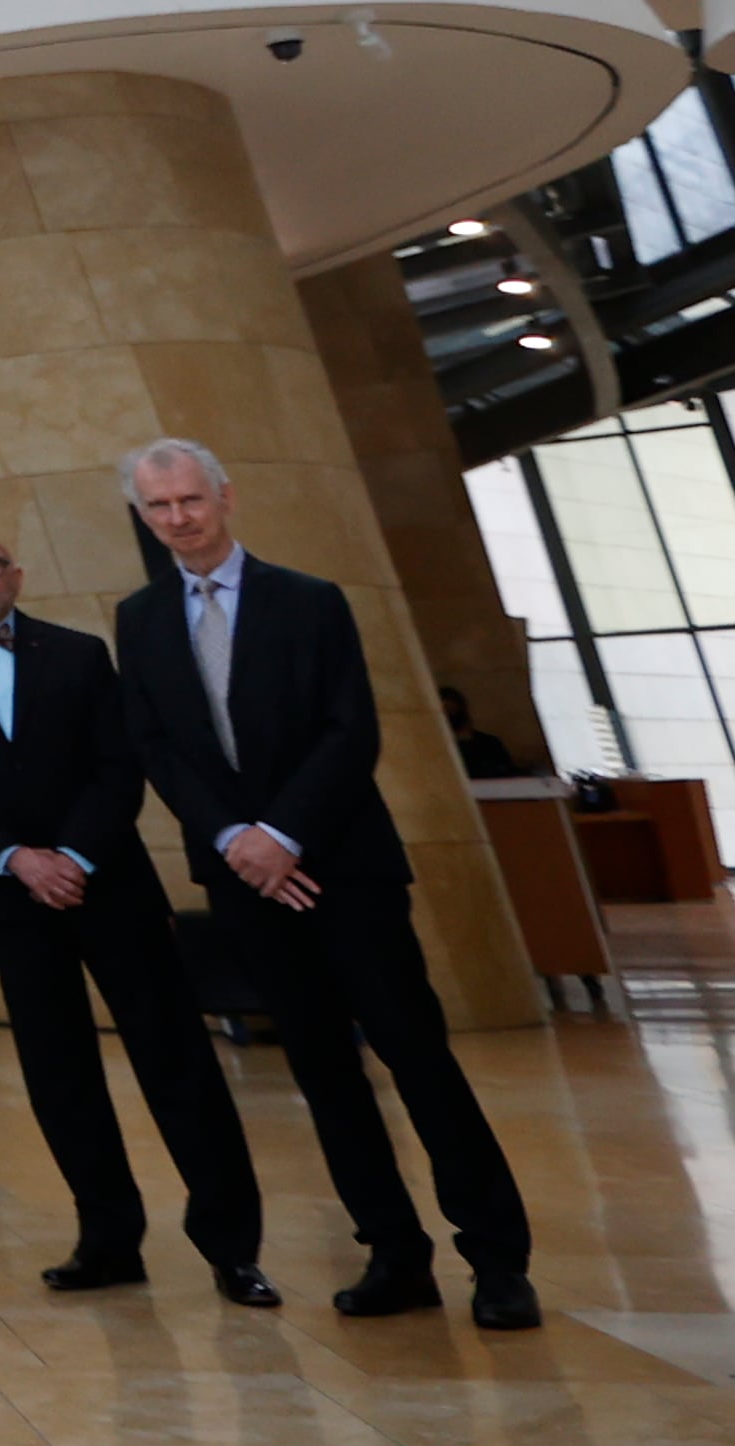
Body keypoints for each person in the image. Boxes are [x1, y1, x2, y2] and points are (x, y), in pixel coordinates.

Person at [114, 438, 537, 1330]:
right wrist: (235, 838)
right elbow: (155, 744)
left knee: (416, 1058)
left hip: (342, 868)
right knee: (323, 1070)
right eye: (159, 507)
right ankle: (394, 1251)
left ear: (225, 496)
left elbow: (350, 730)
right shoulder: (142, 618)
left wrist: (282, 833)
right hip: (245, 882)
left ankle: (498, 1260)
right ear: (144, 516)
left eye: (191, 499)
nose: (178, 518)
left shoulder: (309, 600)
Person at [0, 524, 272, 1303]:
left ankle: (231, 1246)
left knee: (175, 1058)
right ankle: (108, 1239)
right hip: (10, 894)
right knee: (58, 1071)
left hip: (109, 882)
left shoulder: (80, 652)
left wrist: (73, 856)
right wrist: (18, 859)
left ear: (17, 574)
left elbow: (119, 765)